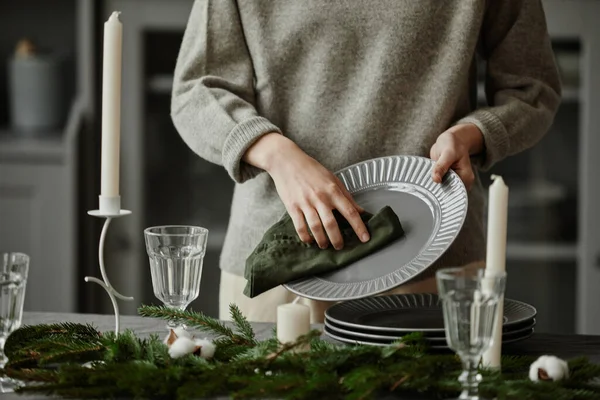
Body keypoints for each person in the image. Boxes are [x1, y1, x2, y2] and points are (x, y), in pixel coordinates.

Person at [171, 0, 561, 323]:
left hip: (434, 262)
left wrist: (474, 133)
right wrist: (277, 154)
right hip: (284, 265)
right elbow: (197, 90)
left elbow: (532, 88)